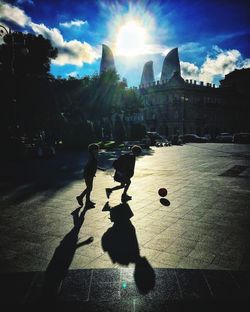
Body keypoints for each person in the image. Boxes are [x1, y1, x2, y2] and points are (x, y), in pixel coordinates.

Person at [76, 143, 105, 208]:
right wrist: (90, 172)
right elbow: (89, 165)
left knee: (89, 188)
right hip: (88, 174)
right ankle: (80, 197)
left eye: (98, 149)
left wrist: (100, 169)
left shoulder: (93, 156)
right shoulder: (92, 156)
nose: (98, 150)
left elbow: (94, 165)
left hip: (90, 174)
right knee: (89, 188)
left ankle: (87, 201)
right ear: (92, 150)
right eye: (96, 149)